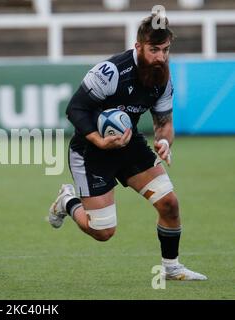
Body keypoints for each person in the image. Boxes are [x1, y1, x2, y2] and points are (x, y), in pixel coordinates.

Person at [48, 15, 206, 280]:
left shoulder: (163, 79)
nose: (160, 57)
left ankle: (171, 267)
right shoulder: (111, 72)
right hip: (91, 152)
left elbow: (164, 123)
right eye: (154, 50)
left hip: (129, 144)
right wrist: (99, 140)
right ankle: (67, 201)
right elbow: (75, 108)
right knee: (103, 232)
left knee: (169, 204)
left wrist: (165, 141)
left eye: (165, 50)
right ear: (139, 46)